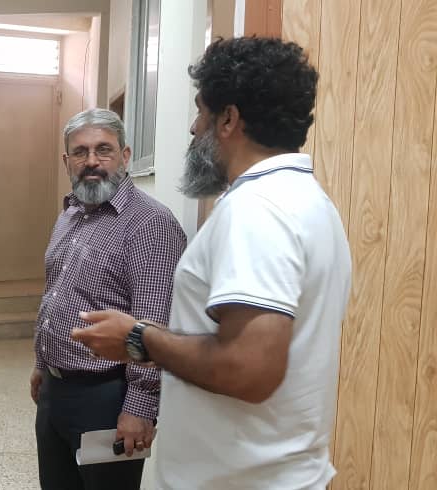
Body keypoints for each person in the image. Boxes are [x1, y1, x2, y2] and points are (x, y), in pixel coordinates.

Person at [72, 37, 352, 489]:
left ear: (228, 119)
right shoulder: (309, 201)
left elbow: (249, 367)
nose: (192, 127)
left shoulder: (257, 210)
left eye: (200, 111)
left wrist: (139, 339)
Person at [32, 108, 187, 489]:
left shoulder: (150, 224)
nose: (92, 161)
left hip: (108, 398)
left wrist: (140, 408)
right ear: (67, 161)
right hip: (56, 390)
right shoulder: (71, 213)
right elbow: (56, 292)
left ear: (126, 155)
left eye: (104, 150)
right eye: (80, 152)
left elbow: (154, 324)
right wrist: (42, 364)